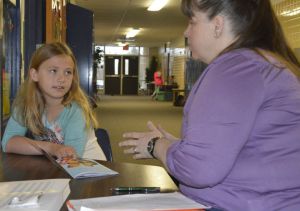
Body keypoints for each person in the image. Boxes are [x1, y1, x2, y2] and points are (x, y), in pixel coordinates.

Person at [119, 0, 300, 210]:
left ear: (218, 25)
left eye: (192, 21)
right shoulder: (265, 64)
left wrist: (156, 146)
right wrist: (181, 147)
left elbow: (200, 170)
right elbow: (245, 149)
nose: (186, 32)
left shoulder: (235, 68)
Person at [2, 42, 106, 160]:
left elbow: (70, 157)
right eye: (53, 71)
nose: (61, 79)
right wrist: (50, 148)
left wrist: (48, 149)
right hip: (56, 166)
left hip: (90, 170)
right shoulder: (26, 105)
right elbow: (8, 143)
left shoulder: (76, 110)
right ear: (35, 74)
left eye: (68, 72)